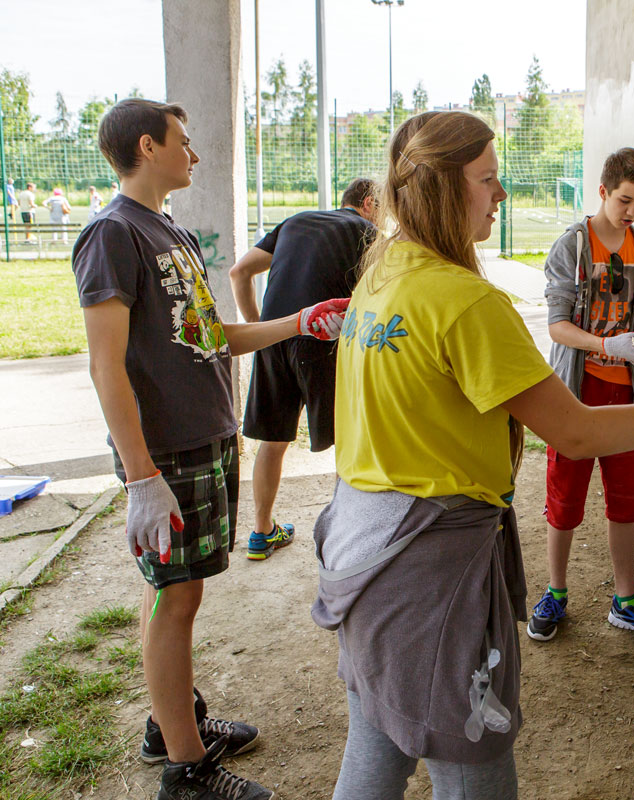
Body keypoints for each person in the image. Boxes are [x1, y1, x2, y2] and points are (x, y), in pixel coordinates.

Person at [312, 110, 634, 800]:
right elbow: (578, 433)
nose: (501, 194)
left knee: (378, 742)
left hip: (362, 548)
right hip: (426, 570)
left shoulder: (384, 274)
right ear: (442, 189)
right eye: (488, 180)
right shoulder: (465, 301)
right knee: (473, 767)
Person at [72, 98, 350, 800]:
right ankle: (187, 771)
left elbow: (209, 335)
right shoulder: (112, 234)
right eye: (183, 143)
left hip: (204, 437)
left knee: (169, 592)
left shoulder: (167, 230)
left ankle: (171, 724)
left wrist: (296, 322)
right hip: (164, 453)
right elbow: (106, 366)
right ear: (148, 145)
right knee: (178, 597)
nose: (193, 155)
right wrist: (141, 477)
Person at [529, 147, 634, 643]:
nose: (632, 211)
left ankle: (625, 599)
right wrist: (604, 344)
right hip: (576, 392)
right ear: (603, 192)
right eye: (625, 200)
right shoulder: (571, 247)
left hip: (629, 394)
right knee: (564, 496)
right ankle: (555, 592)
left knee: (628, 499)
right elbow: (558, 327)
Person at [229, 177, 378, 560]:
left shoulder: (295, 221)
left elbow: (239, 273)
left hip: (276, 335)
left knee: (273, 439)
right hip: (323, 341)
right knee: (348, 439)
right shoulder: (367, 231)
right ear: (369, 202)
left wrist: (260, 327)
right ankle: (350, 535)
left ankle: (261, 532)